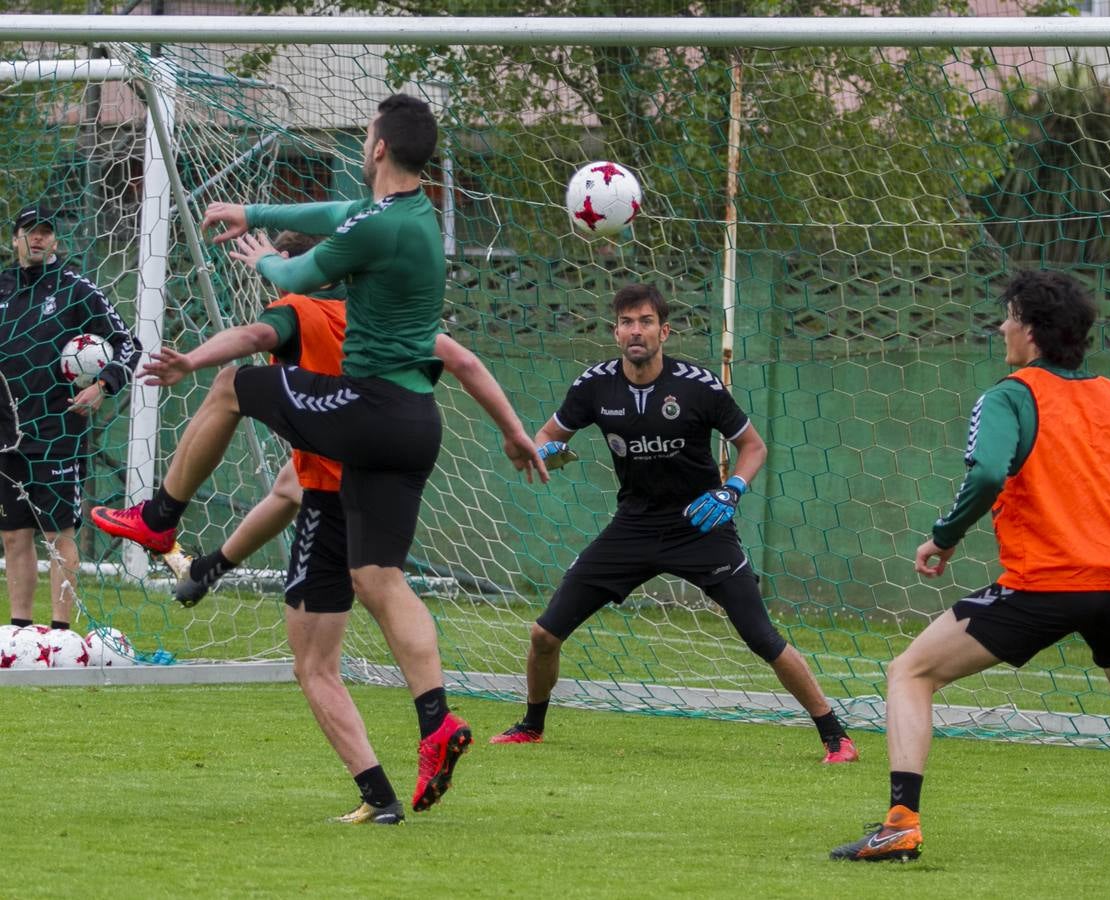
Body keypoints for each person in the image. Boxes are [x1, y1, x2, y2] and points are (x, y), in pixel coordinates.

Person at [92, 94, 538, 815]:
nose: (363, 144)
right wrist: (258, 213)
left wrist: (266, 256)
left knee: (235, 384)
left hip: (371, 411)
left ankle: (161, 518)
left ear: (379, 146)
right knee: (379, 578)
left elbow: (300, 279)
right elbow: (334, 217)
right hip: (417, 424)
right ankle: (437, 721)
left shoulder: (371, 232)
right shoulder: (414, 215)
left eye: (366, 136)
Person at [831, 269, 1110, 862]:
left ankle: (900, 823)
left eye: (1010, 316)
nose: (1002, 327)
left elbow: (989, 473)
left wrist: (944, 537)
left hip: (1044, 587)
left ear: (1032, 331)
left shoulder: (1011, 395)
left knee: (910, 673)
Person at [489, 283, 858, 764]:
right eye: (625, 322)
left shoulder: (697, 385)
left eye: (644, 321)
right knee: (544, 635)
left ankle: (836, 737)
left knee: (761, 636)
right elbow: (544, 439)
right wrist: (546, 454)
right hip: (633, 527)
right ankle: (531, 726)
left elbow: (754, 447)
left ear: (663, 331)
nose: (634, 331)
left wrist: (732, 490)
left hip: (701, 526)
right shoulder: (594, 385)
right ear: (615, 331)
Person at [0, 203, 141, 631]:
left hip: (58, 429)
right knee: (13, 536)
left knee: (58, 535)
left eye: (46, 231)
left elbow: (127, 344)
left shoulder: (77, 289)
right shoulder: (2, 286)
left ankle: (60, 631)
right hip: (7, 433)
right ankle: (20, 631)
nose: (38, 238)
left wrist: (103, 386)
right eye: (30, 231)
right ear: (15, 239)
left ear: (56, 241)